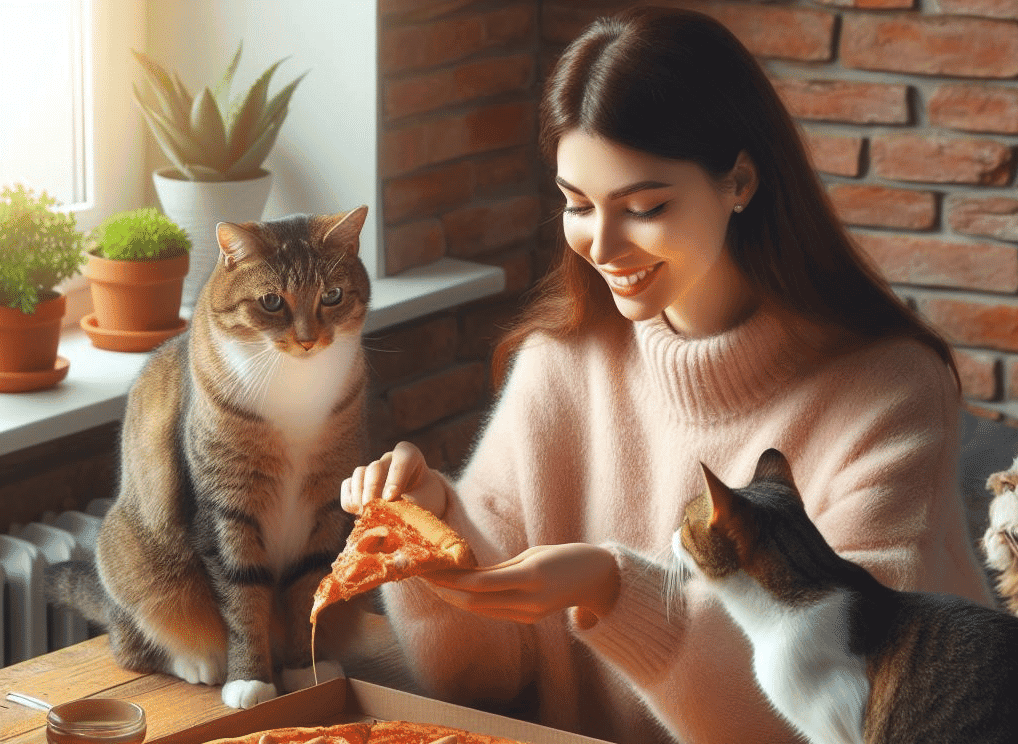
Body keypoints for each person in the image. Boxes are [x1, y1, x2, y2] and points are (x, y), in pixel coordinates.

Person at [340, 7, 993, 744]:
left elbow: (844, 712)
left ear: (739, 181)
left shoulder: (890, 392)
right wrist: (429, 530)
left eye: (645, 207)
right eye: (576, 204)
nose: (604, 244)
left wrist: (617, 591)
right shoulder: (558, 367)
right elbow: (478, 681)